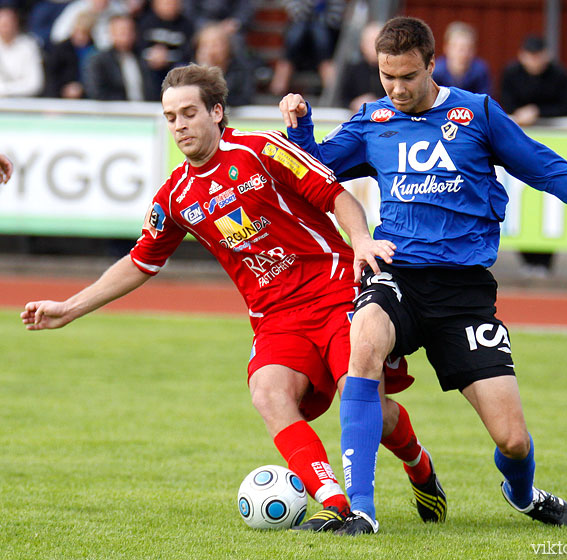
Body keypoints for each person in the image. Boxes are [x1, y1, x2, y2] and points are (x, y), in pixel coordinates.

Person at [279, 16, 567, 535]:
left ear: (431, 65)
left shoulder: (478, 114)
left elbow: (550, 171)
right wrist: (300, 126)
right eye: (386, 76)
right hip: (397, 272)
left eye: (408, 77)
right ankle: (360, 512)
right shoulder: (372, 122)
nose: (396, 90)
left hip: (464, 293)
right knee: (364, 342)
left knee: (512, 440)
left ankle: (524, 492)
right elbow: (313, 171)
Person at [21, 63, 444, 533]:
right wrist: (69, 307)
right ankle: (333, 502)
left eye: (188, 113)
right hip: (276, 318)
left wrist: (361, 240)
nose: (179, 125)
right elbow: (140, 262)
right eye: (170, 117)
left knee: (364, 401)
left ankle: (419, 464)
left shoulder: (261, 149)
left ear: (216, 111)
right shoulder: (175, 196)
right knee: (268, 392)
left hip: (336, 291)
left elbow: (335, 195)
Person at [500, 34, 567, 277]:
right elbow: (503, 104)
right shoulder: (511, 74)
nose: (534, 61)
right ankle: (527, 258)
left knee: (551, 199)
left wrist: (539, 112)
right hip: (518, 146)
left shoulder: (559, 75)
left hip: (552, 146)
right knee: (520, 200)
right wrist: (519, 116)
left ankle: (545, 260)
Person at [268, 0, 345, 96]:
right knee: (299, 31)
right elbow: (296, 14)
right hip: (301, 34)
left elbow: (336, 18)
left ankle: (280, 80)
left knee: (318, 32)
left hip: (326, 33)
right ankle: (330, 83)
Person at [84, 14, 159, 101]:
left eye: (130, 30)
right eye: (122, 31)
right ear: (111, 33)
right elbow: (96, 92)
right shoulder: (99, 61)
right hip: (114, 111)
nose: (127, 35)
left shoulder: (143, 58)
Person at [193, 21, 254, 106]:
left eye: (215, 45)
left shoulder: (241, 69)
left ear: (227, 46)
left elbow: (243, 98)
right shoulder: (190, 72)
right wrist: (204, 71)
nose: (210, 50)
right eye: (205, 45)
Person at [138, 0, 194, 87]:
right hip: (149, 68)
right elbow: (139, 48)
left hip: (176, 69)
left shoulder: (187, 25)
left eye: (173, 3)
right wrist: (152, 55)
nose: (169, 6)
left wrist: (167, 57)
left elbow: (188, 53)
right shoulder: (145, 22)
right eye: (165, 3)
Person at [43, 10, 96, 99]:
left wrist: (82, 88)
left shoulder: (94, 50)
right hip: (60, 96)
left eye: (85, 33)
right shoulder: (60, 50)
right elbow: (51, 77)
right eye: (78, 31)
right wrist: (62, 90)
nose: (81, 36)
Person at [432, 21, 490, 95]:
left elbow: (485, 101)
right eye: (460, 49)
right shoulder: (436, 73)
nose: (465, 54)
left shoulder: (481, 72)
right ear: (447, 48)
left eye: (469, 48)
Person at [339, 21, 384, 113]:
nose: (374, 46)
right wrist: (354, 104)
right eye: (370, 42)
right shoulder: (353, 69)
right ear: (362, 44)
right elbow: (342, 99)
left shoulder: (392, 70)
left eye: (377, 41)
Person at [0, 5, 44, 97]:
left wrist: (6, 90)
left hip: (24, 104)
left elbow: (35, 84)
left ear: (16, 23)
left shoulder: (29, 45)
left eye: (8, 23)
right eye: (3, 24)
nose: (5, 27)